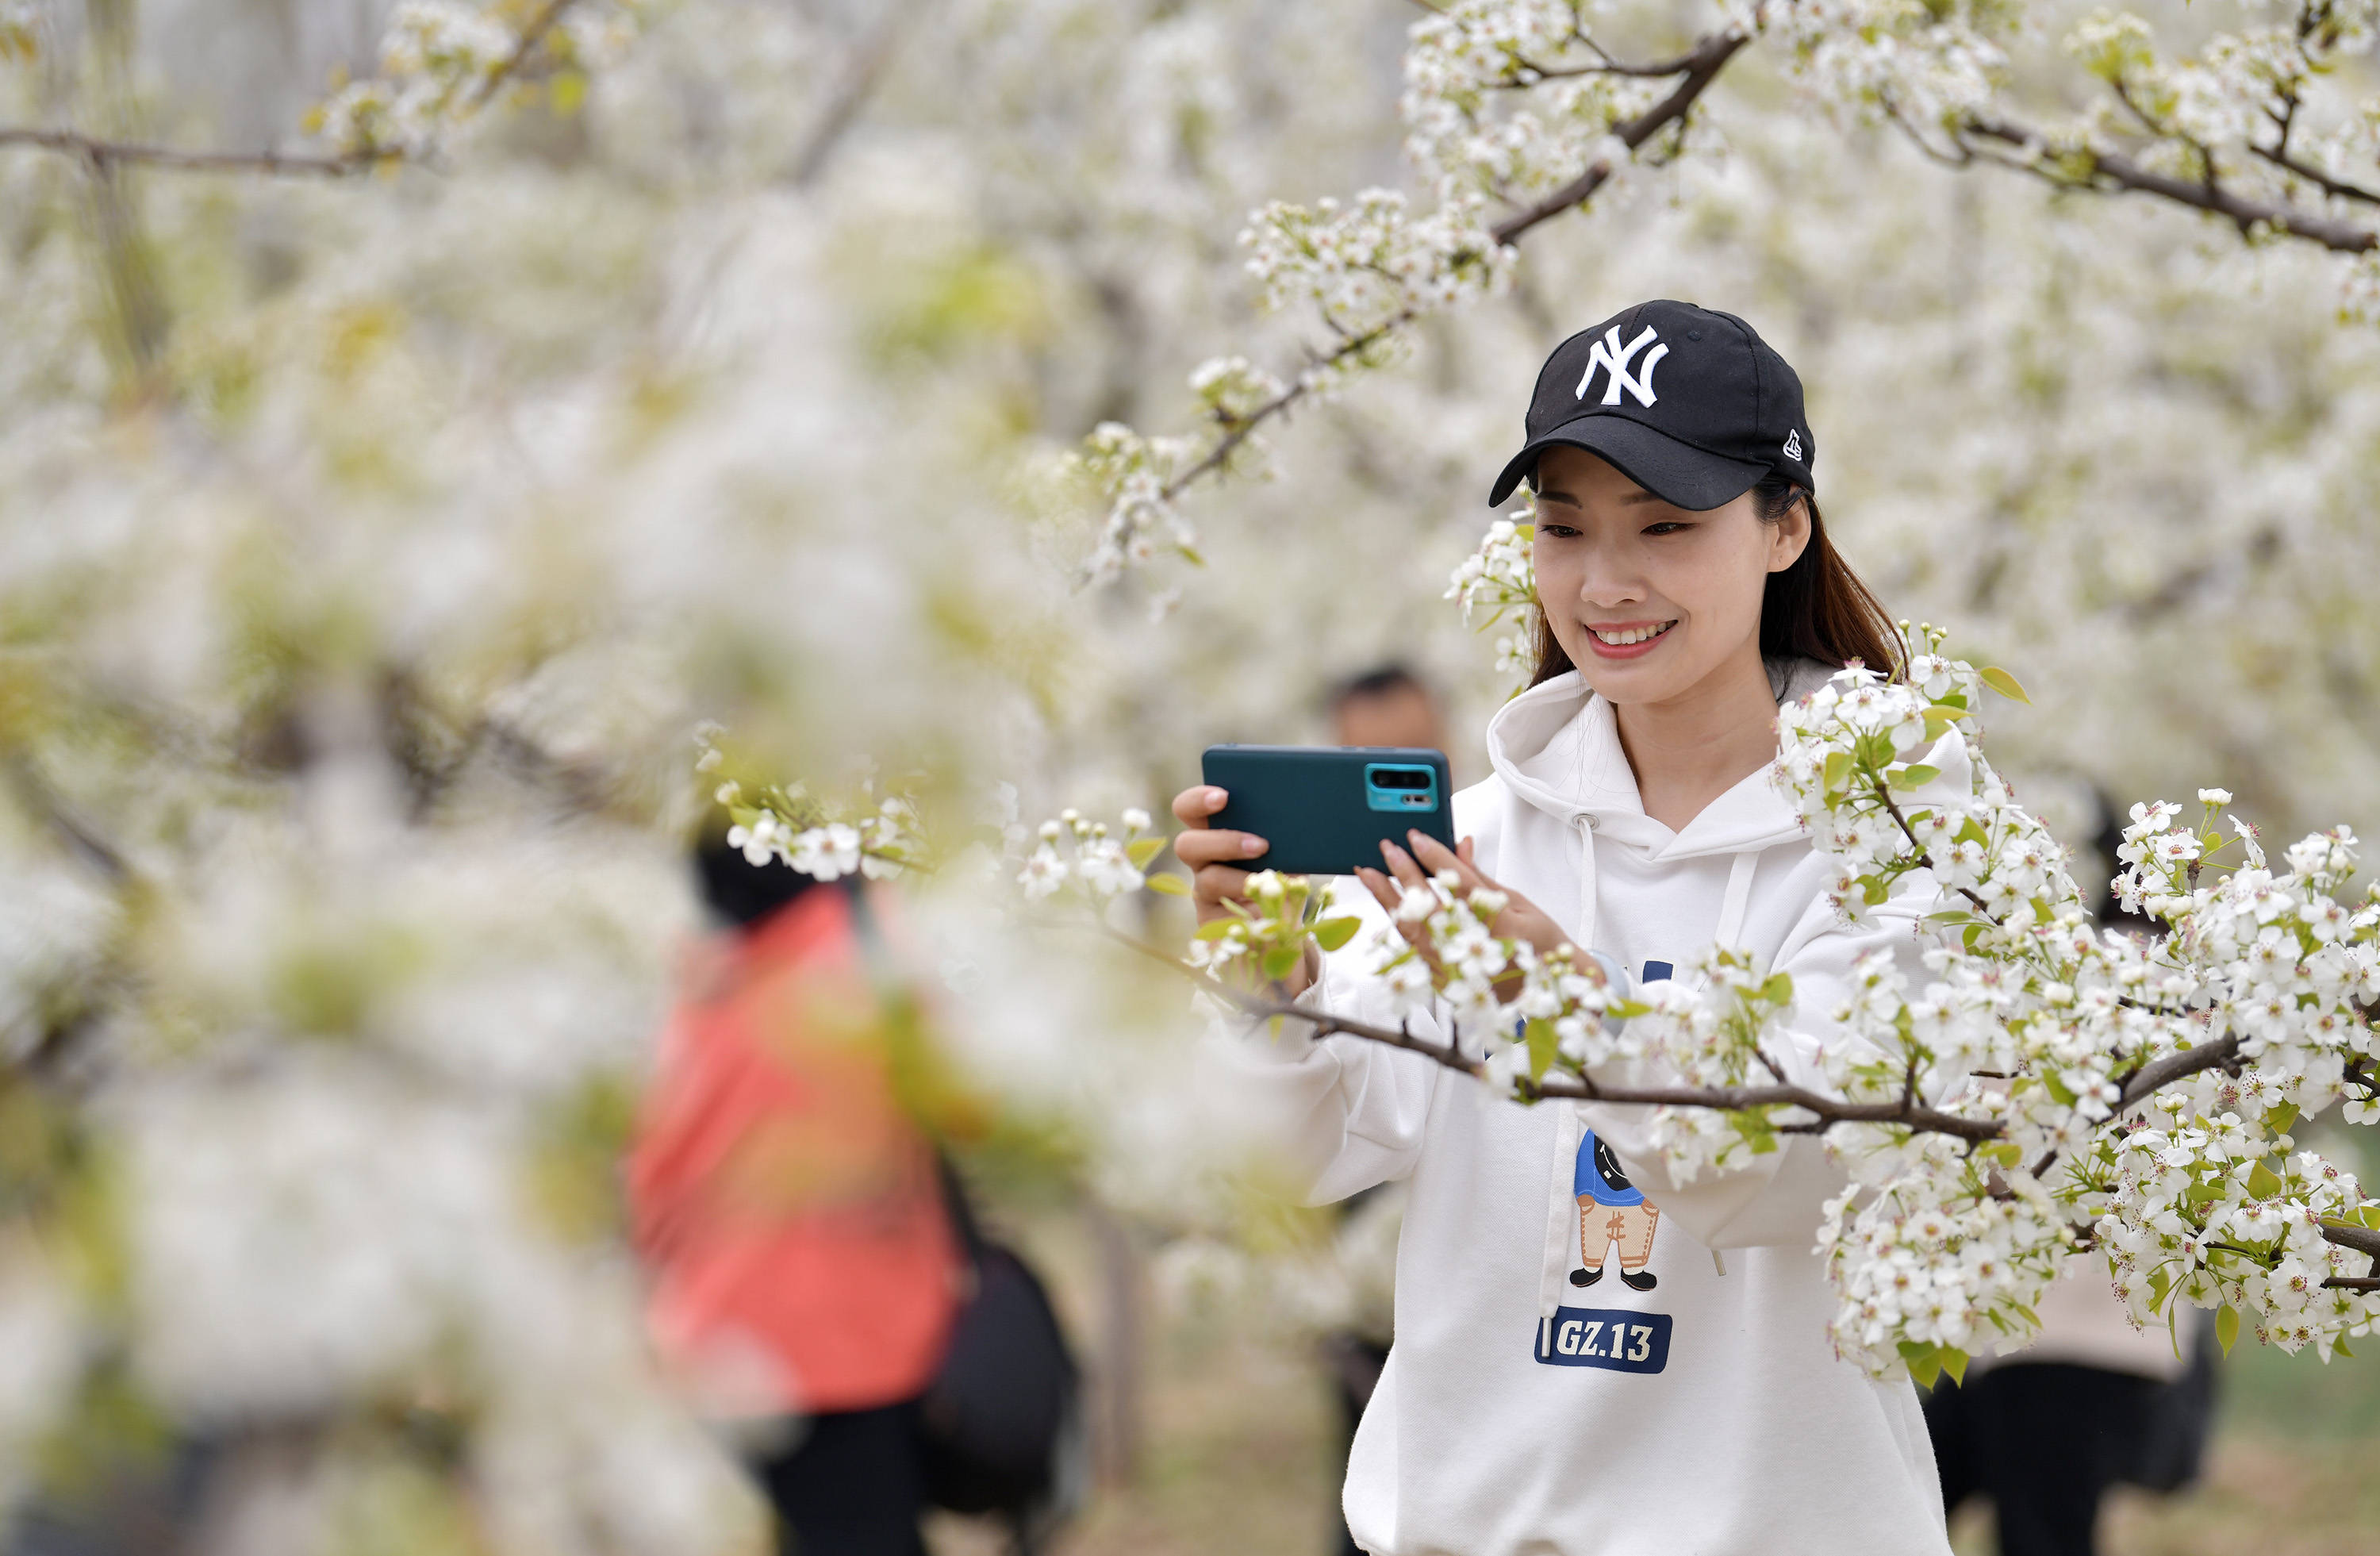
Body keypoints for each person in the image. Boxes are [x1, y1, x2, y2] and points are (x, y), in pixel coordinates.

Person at [1177, 300, 1956, 1554]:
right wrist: (1270, 990)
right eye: (1562, 528)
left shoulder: (1895, 840)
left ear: (1785, 527)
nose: (1605, 583)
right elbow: (1292, 1168)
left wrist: (1559, 1000)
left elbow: (1796, 1166)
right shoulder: (1472, 845)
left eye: (1665, 527)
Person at [629, 825, 967, 1556]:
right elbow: (960, 1100)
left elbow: (651, 1171)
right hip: (858, 1332)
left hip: (726, 1335)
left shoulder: (700, 987)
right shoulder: (867, 948)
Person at [1315, 667, 1446, 1556]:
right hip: (1354, 1220)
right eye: (1364, 754)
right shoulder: (1318, 892)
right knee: (1360, 1454)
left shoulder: (1483, 863)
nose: (1387, 774)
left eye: (1407, 753)